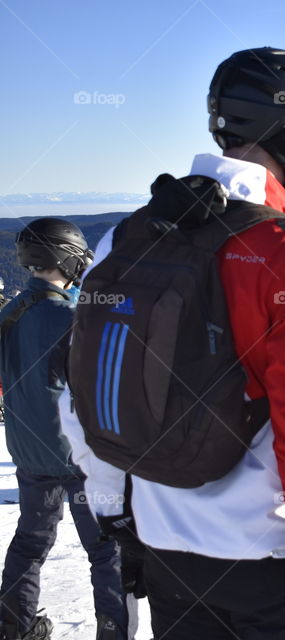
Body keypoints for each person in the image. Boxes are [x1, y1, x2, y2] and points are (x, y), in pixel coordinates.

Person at [59, 47, 285, 640]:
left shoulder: (126, 239)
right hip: (274, 567)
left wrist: (114, 511)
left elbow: (83, 390)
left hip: (166, 554)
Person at [0, 218, 127, 640]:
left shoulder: (11, 313)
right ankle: (112, 629)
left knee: (30, 543)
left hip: (28, 452)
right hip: (77, 458)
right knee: (106, 549)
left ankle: (14, 625)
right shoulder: (70, 317)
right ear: (69, 260)